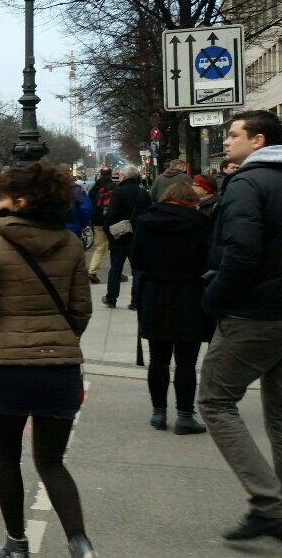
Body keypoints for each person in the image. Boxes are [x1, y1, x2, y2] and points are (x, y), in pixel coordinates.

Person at [0, 162, 95, 558]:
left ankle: (15, 544)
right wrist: (60, 343)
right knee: (52, 462)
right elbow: (81, 310)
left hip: (8, 369)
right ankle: (80, 543)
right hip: (60, 371)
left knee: (7, 457)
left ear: (20, 202)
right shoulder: (73, 245)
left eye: (3, 195)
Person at [197, 110, 282, 542]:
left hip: (254, 313)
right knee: (280, 416)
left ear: (258, 140)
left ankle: (269, 503)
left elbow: (241, 254)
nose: (226, 141)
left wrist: (214, 299)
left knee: (214, 401)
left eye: (233, 135)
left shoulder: (248, 183)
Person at [129, 182, 212, 435]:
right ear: (190, 200)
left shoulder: (146, 222)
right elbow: (209, 260)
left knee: (158, 358)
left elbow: (137, 259)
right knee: (187, 360)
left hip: (155, 293)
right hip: (189, 294)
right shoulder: (201, 224)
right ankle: (185, 416)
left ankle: (159, 412)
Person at [102, 165, 152, 309]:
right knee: (137, 269)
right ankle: (136, 301)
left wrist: (109, 232)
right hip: (138, 236)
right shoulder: (144, 193)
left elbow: (111, 215)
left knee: (115, 268)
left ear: (124, 176)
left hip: (119, 237)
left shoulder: (118, 192)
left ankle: (111, 298)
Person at [86, 168, 115, 283]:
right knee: (115, 247)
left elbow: (90, 205)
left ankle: (92, 271)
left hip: (98, 221)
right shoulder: (114, 187)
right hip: (112, 221)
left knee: (100, 247)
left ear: (100, 174)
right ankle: (116, 271)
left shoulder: (94, 188)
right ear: (110, 174)